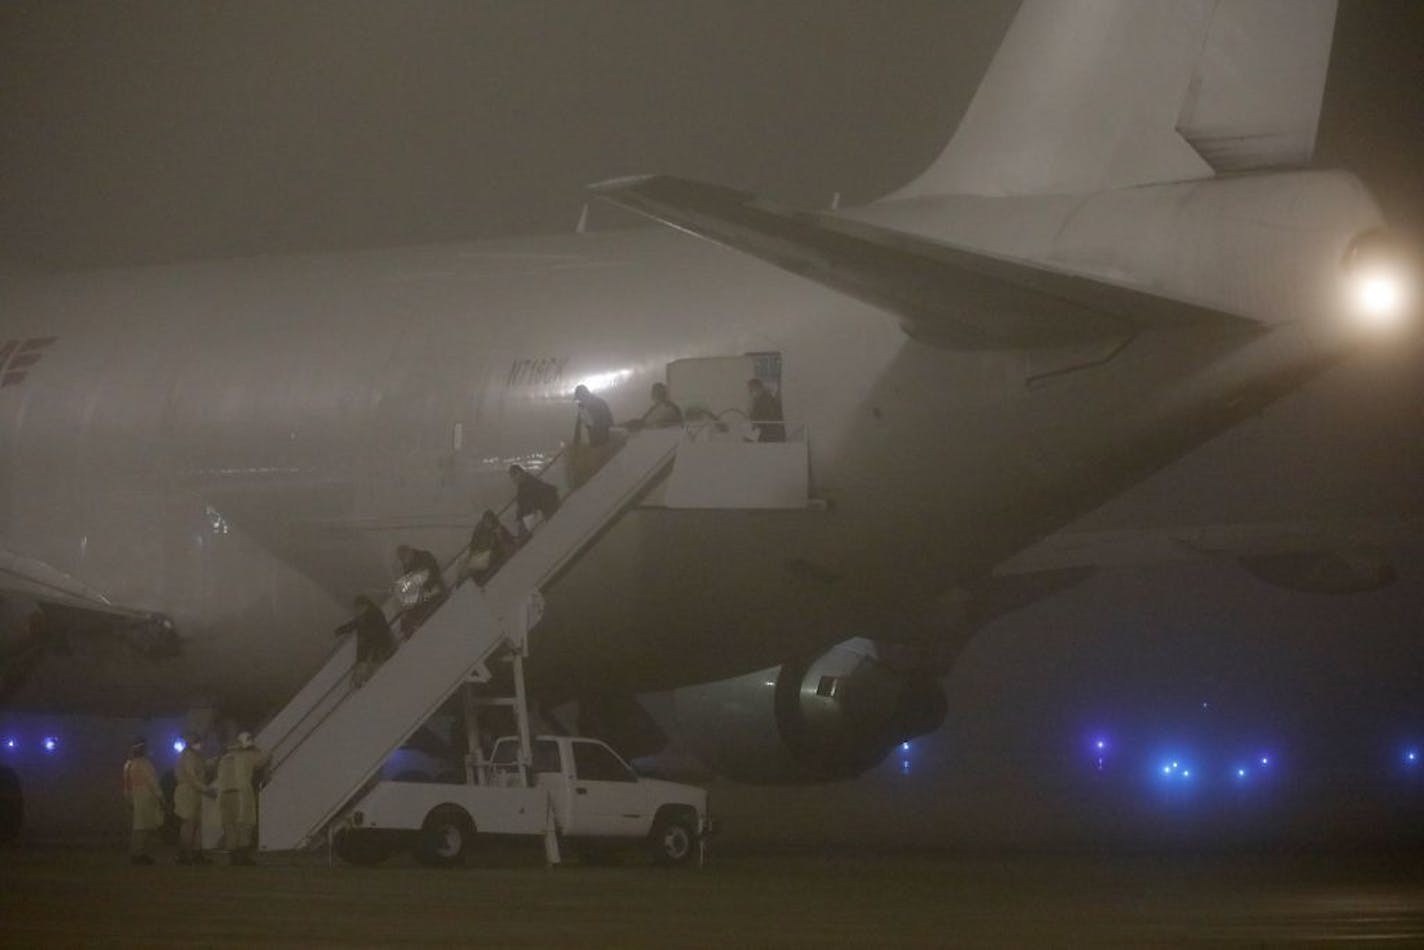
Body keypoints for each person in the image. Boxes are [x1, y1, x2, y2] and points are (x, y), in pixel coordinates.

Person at [216, 731, 270, 866]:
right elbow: (265, 758)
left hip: (224, 794)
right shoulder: (248, 755)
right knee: (245, 824)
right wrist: (255, 749)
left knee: (229, 826)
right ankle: (243, 857)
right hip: (242, 793)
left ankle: (233, 857)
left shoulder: (224, 758)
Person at [333, 594, 395, 687]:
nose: (358, 610)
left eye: (360, 607)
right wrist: (341, 630)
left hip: (379, 643)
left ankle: (367, 674)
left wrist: (368, 637)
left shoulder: (374, 613)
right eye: (357, 608)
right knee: (363, 659)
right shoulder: (362, 617)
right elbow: (353, 624)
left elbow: (381, 628)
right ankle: (362, 674)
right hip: (368, 645)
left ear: (365, 605)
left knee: (369, 659)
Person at [122, 738, 164, 865]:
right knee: (143, 827)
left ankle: (137, 852)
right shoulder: (145, 763)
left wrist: (129, 798)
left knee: (139, 826)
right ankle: (139, 853)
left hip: (135, 797)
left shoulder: (128, 764)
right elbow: (152, 781)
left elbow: (126, 785)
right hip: (145, 797)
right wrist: (160, 796)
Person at [173, 732, 211, 864]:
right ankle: (185, 854)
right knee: (189, 824)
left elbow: (203, 768)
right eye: (198, 741)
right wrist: (207, 790)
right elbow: (192, 777)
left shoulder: (194, 755)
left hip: (194, 792)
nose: (201, 743)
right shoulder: (189, 755)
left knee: (196, 824)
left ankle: (195, 853)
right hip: (188, 792)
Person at [394, 544, 446, 638]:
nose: (403, 561)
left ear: (409, 552)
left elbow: (432, 574)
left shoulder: (424, 557)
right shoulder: (408, 568)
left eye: (403, 557)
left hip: (435, 591)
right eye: (401, 559)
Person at [463, 509, 516, 587]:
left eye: (490, 521)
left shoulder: (499, 529)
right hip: (484, 557)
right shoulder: (480, 532)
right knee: (474, 568)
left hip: (493, 556)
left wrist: (499, 535)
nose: (488, 524)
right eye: (487, 522)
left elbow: (509, 542)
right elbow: (475, 547)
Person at [508, 464, 560, 540]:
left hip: (543, 511)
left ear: (521, 473)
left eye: (515, 475)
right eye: (513, 476)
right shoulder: (524, 485)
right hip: (540, 512)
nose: (514, 478)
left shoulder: (528, 484)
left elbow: (535, 497)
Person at [746, 378, 785, 443]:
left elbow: (769, 418)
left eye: (751, 390)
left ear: (756, 388)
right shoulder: (760, 399)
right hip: (765, 432)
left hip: (769, 434)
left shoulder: (766, 399)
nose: (750, 393)